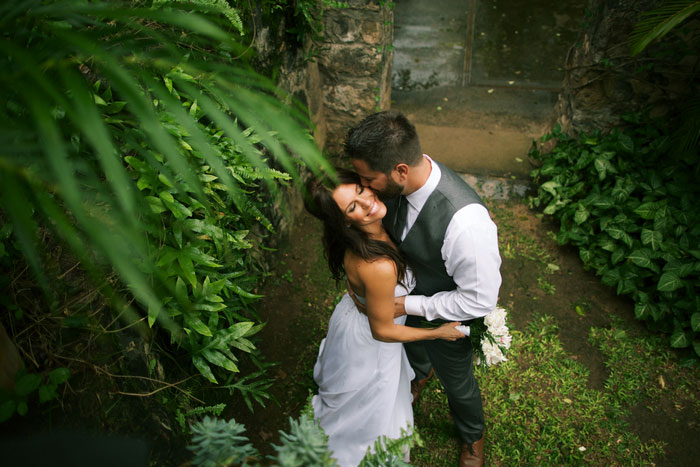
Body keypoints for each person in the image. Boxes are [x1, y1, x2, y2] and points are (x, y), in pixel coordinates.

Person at [345, 110, 502, 467]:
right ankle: (419, 374)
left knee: (459, 385)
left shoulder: (467, 225)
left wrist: (409, 306)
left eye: (369, 179)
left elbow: (478, 300)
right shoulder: (399, 184)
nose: (366, 189)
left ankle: (472, 436)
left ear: (401, 170)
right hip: (402, 299)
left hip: (445, 313)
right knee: (412, 353)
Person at [305, 168, 466, 467]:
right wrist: (438, 332)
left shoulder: (382, 224)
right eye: (352, 207)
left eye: (360, 191)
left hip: (353, 318)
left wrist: (362, 295)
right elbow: (383, 332)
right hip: (372, 340)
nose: (366, 203)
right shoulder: (378, 265)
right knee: (372, 409)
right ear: (344, 222)